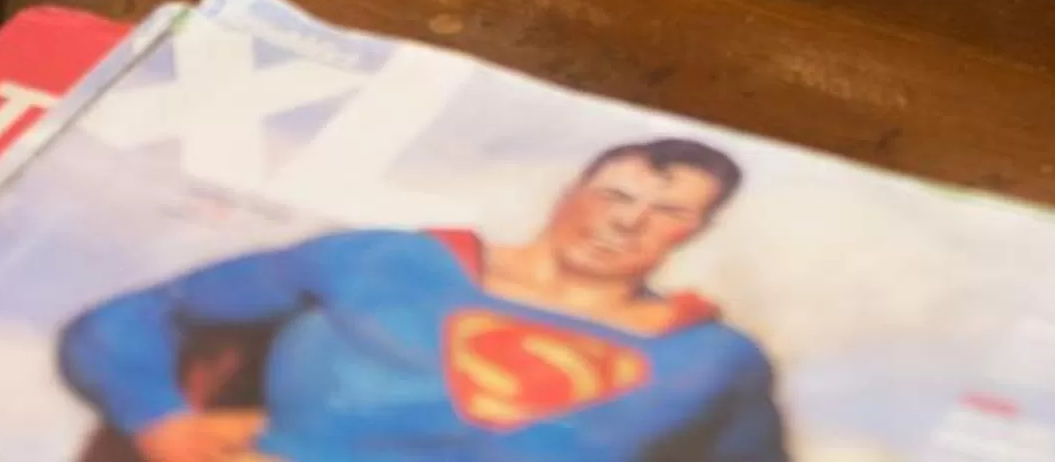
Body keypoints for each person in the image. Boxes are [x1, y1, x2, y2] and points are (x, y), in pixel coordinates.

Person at [60, 139, 785, 461]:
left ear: (695, 230)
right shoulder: (390, 261)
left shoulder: (709, 360)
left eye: (666, 211)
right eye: (615, 194)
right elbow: (127, 323)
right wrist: (164, 424)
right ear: (573, 191)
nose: (627, 221)